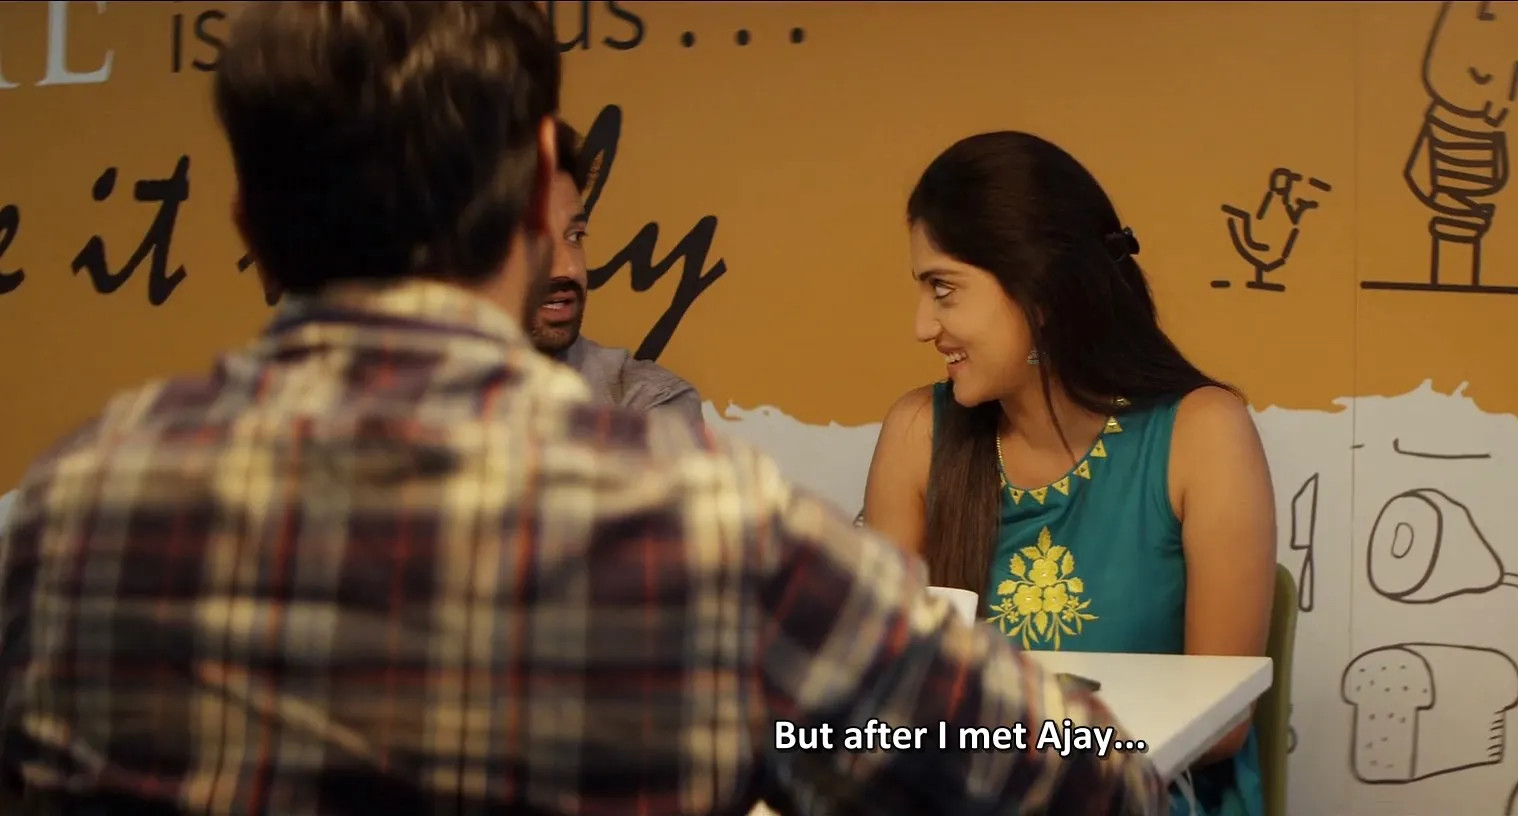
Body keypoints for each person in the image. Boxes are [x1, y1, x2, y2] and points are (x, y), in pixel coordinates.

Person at [0, 5, 1167, 813]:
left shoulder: (59, 523)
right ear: (536, 198)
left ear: (247, 221)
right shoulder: (701, 531)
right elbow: (1081, 789)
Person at [861, 131, 1279, 816]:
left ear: (1040, 291)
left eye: (944, 289)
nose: (922, 325)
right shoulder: (917, 433)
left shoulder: (1203, 432)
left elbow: (1223, 724)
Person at [528, 119, 705, 428]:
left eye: (575, 236)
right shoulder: (435, 396)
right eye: (535, 240)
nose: (570, 268)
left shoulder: (649, 404)